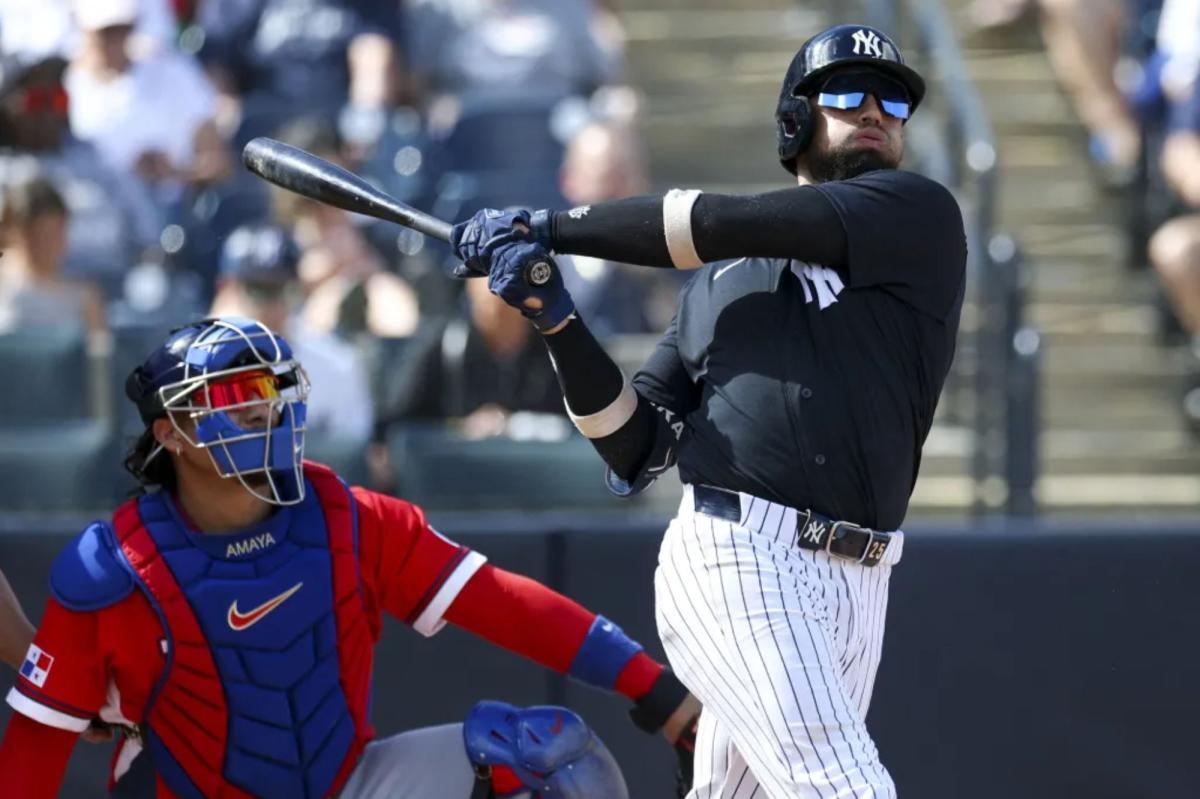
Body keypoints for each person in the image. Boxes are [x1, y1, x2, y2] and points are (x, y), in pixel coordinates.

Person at [449, 23, 967, 798]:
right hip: (741, 557)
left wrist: (549, 228)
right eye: (847, 92)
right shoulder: (719, 287)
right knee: (842, 784)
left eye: (893, 100)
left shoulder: (916, 214)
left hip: (863, 579)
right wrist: (557, 319)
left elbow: (713, 222)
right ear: (795, 119)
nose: (875, 110)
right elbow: (633, 443)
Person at [0, 315, 700, 798]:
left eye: (271, 390)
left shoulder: (348, 518)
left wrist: (654, 688)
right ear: (171, 433)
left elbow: (503, 602)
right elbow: (34, 748)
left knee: (553, 760)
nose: (261, 411)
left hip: (347, 783)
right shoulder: (115, 568)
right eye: (234, 397)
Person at [211, 222, 374, 441]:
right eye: (260, 290)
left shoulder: (338, 365)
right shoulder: (198, 369)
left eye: (285, 290)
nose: (273, 305)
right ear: (227, 288)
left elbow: (353, 450)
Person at [0, 174, 107, 337]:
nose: (47, 245)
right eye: (37, 236)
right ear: (16, 232)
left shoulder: (84, 296)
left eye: (55, 234)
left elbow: (100, 347)